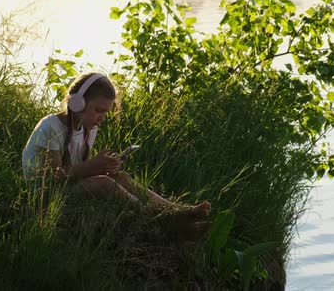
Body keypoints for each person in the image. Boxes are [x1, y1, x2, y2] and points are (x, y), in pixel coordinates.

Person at [22, 71, 211, 239]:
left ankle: (176, 211)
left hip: (65, 190)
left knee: (121, 177)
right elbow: (54, 177)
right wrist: (93, 166)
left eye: (105, 112)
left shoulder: (88, 129)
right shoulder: (51, 127)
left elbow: (78, 174)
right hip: (44, 198)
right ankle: (160, 221)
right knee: (104, 183)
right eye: (98, 110)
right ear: (77, 103)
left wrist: (104, 166)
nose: (102, 118)